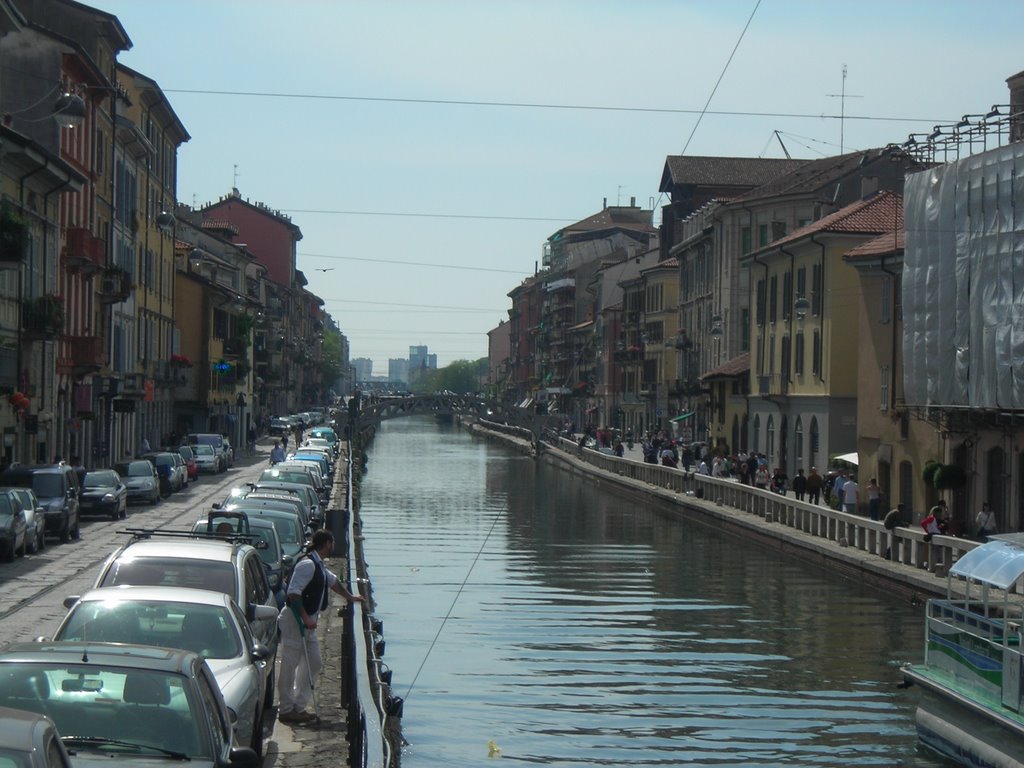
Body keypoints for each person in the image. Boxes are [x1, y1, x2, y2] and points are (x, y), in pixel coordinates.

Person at [278, 530, 365, 725]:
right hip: (295, 621)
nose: (333, 546)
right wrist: (305, 618)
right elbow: (293, 593)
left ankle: (298, 705)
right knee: (290, 664)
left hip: (309, 623)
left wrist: (351, 598)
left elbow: (333, 582)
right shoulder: (308, 565)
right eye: (332, 542)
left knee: (314, 662)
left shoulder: (318, 564)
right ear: (326, 543)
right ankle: (286, 709)